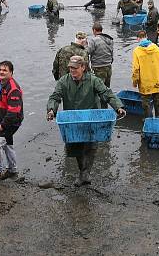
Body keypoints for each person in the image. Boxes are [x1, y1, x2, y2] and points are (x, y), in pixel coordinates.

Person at [47, 55, 125, 186]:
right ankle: (83, 172)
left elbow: (106, 93)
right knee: (76, 147)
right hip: (74, 119)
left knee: (91, 146)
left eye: (75, 68)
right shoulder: (63, 81)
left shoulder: (93, 80)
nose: (72, 71)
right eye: (70, 68)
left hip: (91, 118)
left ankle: (85, 173)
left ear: (83, 67)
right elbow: (55, 97)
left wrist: (118, 107)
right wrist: (51, 110)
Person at [0, 60, 24, 184]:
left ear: (11, 73)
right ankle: (12, 170)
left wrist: (3, 125)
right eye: (0, 69)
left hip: (11, 122)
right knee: (7, 144)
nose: (1, 72)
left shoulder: (14, 89)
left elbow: (14, 112)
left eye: (4, 70)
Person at [131, 30, 159, 118]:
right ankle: (158, 118)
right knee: (157, 100)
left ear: (138, 39)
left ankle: (148, 119)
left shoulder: (137, 51)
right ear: (146, 36)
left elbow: (136, 69)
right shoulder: (156, 48)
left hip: (145, 82)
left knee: (146, 102)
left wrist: (135, 82)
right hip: (157, 80)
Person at [87, 22, 114, 87]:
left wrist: (84, 45)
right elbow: (112, 52)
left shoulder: (93, 40)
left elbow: (87, 52)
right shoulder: (110, 39)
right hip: (108, 67)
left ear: (94, 30)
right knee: (107, 88)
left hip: (98, 68)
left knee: (98, 88)